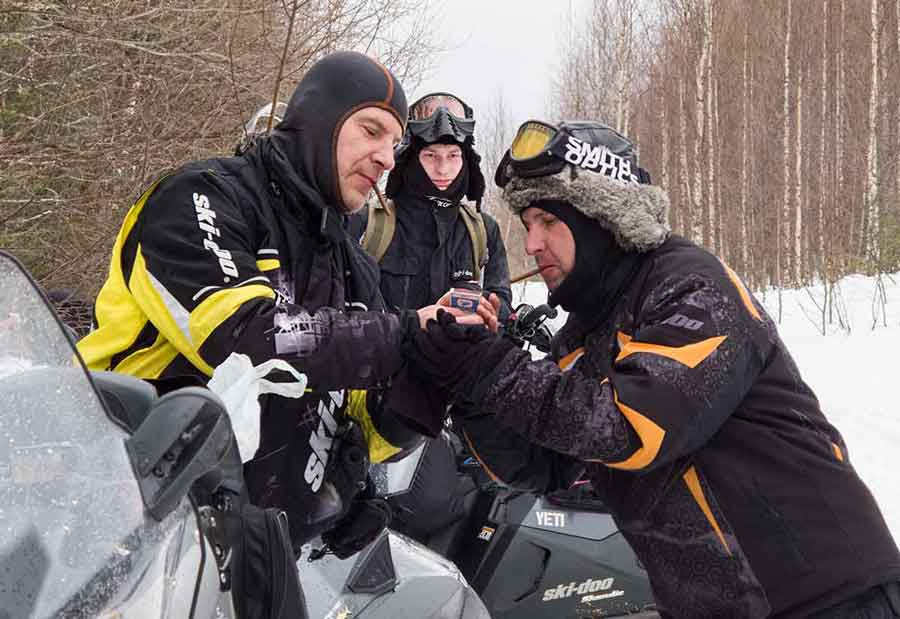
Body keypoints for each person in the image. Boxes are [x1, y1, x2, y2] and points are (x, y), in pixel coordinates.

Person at [403, 120, 900, 618]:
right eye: (528, 224)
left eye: (548, 222)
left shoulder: (692, 286)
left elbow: (631, 427)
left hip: (828, 597)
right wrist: (465, 383)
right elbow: (544, 464)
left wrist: (491, 369)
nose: (532, 244)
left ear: (602, 218)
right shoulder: (585, 330)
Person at [76, 51, 495, 554]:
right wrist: (408, 331)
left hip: (253, 552)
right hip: (124, 520)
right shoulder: (202, 198)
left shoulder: (351, 264)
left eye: (394, 142)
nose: (387, 157)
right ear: (319, 120)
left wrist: (432, 369)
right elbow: (245, 339)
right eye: (370, 130)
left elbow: (364, 419)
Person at [348, 91, 512, 547]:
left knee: (474, 509)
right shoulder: (371, 223)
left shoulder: (482, 231)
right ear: (411, 157)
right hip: (376, 406)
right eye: (432, 156)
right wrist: (415, 320)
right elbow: (343, 314)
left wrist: (491, 316)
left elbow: (503, 303)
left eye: (454, 157)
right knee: (397, 514)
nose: (442, 169)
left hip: (454, 405)